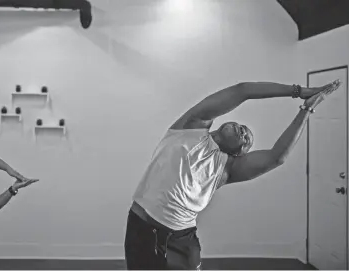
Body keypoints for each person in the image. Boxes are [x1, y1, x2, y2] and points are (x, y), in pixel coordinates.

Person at [124, 79, 341, 270]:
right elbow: (242, 90)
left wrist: (306, 109)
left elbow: (277, 157)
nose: (244, 131)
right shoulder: (191, 127)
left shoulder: (227, 169)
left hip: (180, 243)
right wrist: (298, 90)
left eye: (247, 139)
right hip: (140, 230)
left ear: (238, 154)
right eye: (243, 127)